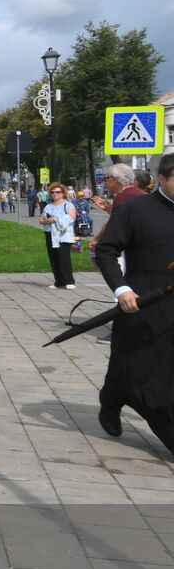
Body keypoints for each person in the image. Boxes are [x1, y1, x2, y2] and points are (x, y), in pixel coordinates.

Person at [93, 152, 174, 452]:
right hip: (144, 300)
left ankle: (112, 397)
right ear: (161, 179)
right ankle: (159, 419)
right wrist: (122, 290)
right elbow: (106, 251)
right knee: (138, 362)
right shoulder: (136, 210)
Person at [40, 183, 77, 289]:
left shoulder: (68, 204)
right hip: (49, 233)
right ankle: (59, 281)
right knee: (54, 257)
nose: (54, 194)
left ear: (63, 193)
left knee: (63, 257)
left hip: (62, 234)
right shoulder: (48, 206)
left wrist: (55, 219)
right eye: (52, 192)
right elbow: (41, 220)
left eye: (57, 192)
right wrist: (48, 221)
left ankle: (69, 281)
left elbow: (72, 217)